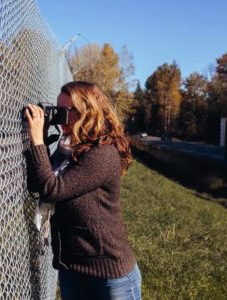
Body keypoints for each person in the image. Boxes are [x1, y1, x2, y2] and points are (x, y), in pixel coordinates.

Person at [24, 81, 142, 300]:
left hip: (109, 274)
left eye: (67, 112)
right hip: (72, 268)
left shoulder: (103, 154)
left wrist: (38, 142)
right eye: (58, 111)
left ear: (88, 113)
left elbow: (52, 189)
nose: (60, 118)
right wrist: (38, 142)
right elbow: (37, 185)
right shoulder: (66, 147)